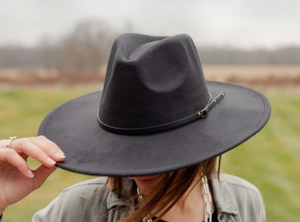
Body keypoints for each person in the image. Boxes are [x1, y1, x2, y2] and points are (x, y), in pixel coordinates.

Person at [0, 33, 270, 222]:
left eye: (156, 146)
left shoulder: (245, 202)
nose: (139, 169)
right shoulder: (78, 210)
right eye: (129, 146)